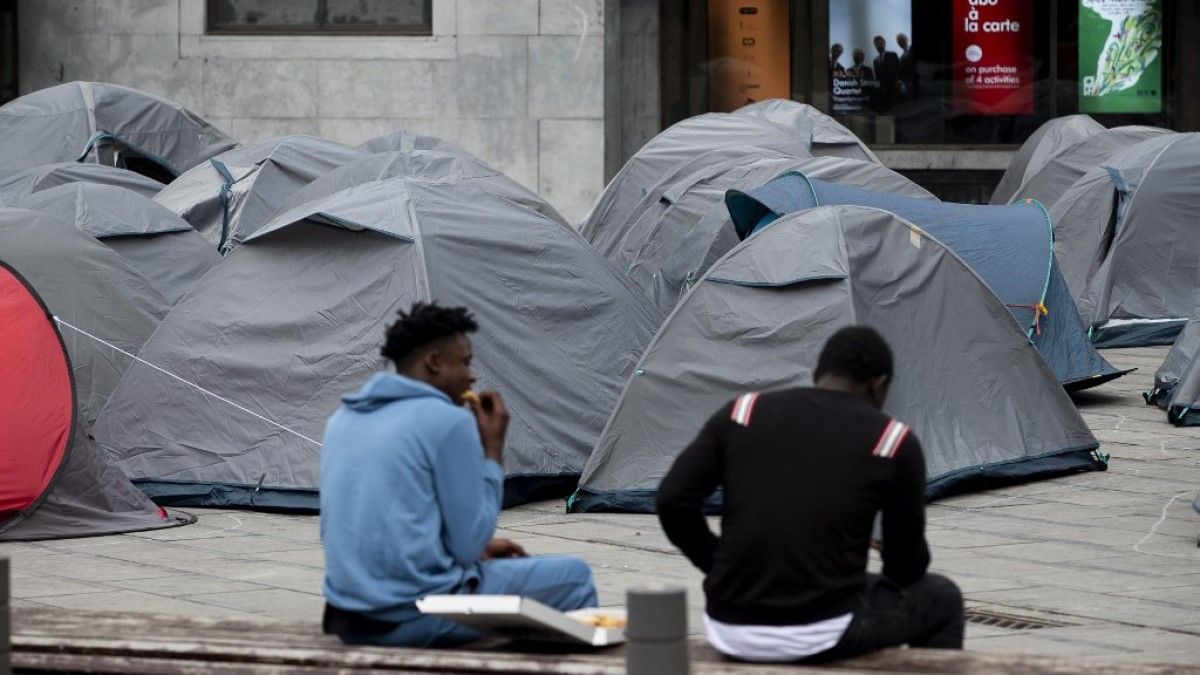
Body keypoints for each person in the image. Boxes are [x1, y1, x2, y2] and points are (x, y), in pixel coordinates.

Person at [656, 326, 964, 663]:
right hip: (820, 631)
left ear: (818, 373)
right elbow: (905, 570)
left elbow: (672, 499)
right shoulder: (891, 440)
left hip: (729, 623)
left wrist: (717, 566)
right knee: (942, 598)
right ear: (879, 385)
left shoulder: (743, 413)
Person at [320, 301, 598, 647]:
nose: (472, 376)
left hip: (350, 615)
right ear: (434, 362)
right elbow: (469, 545)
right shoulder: (447, 421)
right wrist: (492, 450)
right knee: (574, 578)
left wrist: (464, 553)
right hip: (414, 612)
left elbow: (391, 522)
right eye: (465, 362)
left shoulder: (343, 420)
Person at [872, 35, 901, 111]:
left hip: (893, 88)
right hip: (882, 91)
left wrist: (898, 81)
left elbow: (898, 69)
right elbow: (876, 76)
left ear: (884, 43)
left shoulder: (892, 55)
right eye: (877, 44)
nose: (879, 45)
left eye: (880, 43)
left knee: (895, 110)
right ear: (875, 46)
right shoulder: (875, 61)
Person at [896, 33, 916, 100]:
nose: (901, 42)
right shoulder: (900, 58)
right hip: (908, 84)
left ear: (907, 39)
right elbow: (902, 72)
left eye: (902, 40)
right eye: (899, 42)